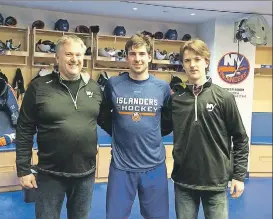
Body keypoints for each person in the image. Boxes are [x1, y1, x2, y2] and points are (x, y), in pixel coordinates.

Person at [15, 35, 103, 219]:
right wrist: (23, 169)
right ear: (57, 58)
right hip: (50, 174)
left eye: (78, 55)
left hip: (85, 174)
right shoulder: (38, 87)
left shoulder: (94, 88)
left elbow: (108, 122)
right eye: (69, 54)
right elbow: (24, 128)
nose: (74, 59)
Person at [170, 39, 249, 219]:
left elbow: (240, 138)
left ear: (206, 61)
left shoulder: (224, 97)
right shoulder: (176, 99)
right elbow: (158, 129)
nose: (192, 65)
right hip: (184, 182)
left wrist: (238, 175)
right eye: (187, 60)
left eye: (197, 59)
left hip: (216, 182)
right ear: (183, 64)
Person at [98, 33, 173, 219]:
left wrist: (151, 133)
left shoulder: (162, 88)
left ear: (149, 56)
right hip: (121, 167)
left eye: (141, 54)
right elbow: (103, 116)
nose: (137, 59)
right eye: (132, 54)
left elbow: (168, 121)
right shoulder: (113, 84)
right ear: (126, 57)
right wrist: (118, 131)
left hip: (154, 166)